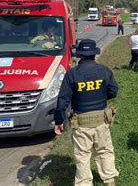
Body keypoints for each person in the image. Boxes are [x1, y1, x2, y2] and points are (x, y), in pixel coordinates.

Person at [54, 39, 119, 186]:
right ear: (94, 54)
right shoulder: (104, 70)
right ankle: (109, 181)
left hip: (81, 123)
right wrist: (101, 95)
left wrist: (59, 121)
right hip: (102, 120)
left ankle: (84, 183)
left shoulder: (72, 74)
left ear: (80, 55)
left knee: (83, 155)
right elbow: (113, 91)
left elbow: (62, 100)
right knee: (105, 151)